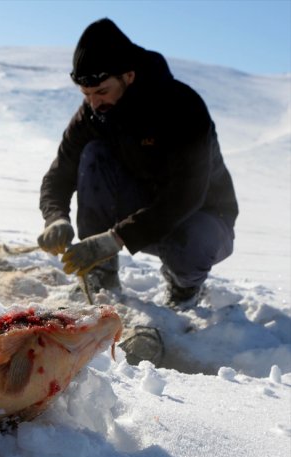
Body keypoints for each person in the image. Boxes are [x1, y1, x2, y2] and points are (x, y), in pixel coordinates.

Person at [38, 18, 238, 308]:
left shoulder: (183, 107)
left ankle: (183, 290)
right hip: (138, 215)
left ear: (128, 76)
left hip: (202, 216)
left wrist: (116, 238)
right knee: (93, 154)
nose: (94, 103)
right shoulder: (94, 114)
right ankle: (100, 277)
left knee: (195, 241)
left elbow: (186, 196)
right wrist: (55, 217)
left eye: (101, 92)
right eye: (86, 95)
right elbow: (60, 172)